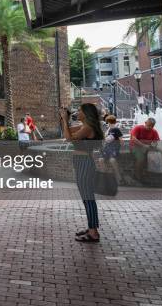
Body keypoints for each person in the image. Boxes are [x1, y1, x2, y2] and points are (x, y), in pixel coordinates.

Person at [59, 103, 104, 243]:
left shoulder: (88, 128)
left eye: (80, 110)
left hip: (84, 163)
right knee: (87, 198)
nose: (77, 112)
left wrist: (65, 120)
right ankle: (92, 228)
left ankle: (93, 233)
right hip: (82, 162)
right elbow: (68, 131)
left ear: (86, 113)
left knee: (88, 198)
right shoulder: (84, 126)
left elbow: (68, 138)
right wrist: (64, 119)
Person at [99, 115, 123, 184]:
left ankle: (118, 177)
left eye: (108, 122)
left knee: (112, 160)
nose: (108, 123)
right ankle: (105, 177)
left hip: (113, 148)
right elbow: (104, 139)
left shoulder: (116, 129)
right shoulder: (108, 130)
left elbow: (121, 141)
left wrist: (117, 147)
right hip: (107, 148)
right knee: (101, 160)